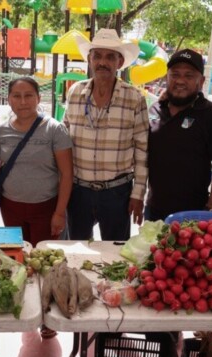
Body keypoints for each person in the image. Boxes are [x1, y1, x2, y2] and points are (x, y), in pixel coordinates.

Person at [63, 28, 149, 241]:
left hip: (117, 193)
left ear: (119, 63)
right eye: (97, 56)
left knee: (116, 253)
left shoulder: (134, 98)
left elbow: (143, 150)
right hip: (78, 191)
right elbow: (63, 141)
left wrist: (138, 194)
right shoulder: (75, 92)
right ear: (89, 59)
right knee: (77, 250)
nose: (103, 62)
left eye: (110, 57)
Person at [146, 49, 212, 221]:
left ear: (201, 81)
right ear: (166, 78)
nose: (180, 81)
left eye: (189, 75)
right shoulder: (155, 109)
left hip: (194, 214)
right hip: (153, 209)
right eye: (175, 74)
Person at [0, 77, 73, 246]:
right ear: (9, 99)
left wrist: (60, 213)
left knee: (43, 257)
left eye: (29, 95)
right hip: (10, 207)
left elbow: (67, 174)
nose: (23, 102)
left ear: (38, 98)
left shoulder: (54, 129)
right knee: (18, 253)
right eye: (16, 96)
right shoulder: (0, 131)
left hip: (46, 208)